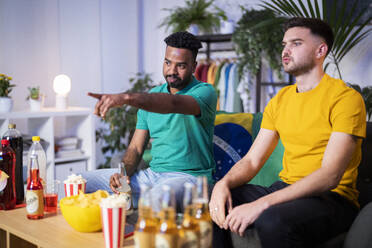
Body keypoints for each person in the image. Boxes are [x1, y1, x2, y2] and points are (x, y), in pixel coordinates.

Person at [209, 17, 366, 247]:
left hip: (332, 198)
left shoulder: (345, 99)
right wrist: (224, 184)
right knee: (213, 197)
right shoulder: (280, 100)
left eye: (296, 43)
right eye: (284, 44)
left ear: (320, 50)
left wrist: (263, 204)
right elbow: (252, 160)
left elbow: (330, 175)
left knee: (272, 220)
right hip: (286, 188)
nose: (286, 50)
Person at [85, 31, 217, 212]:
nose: (172, 71)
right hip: (153, 176)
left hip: (190, 179)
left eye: (181, 66)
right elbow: (135, 148)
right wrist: (123, 176)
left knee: (155, 199)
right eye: (168, 63)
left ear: (194, 66)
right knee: (79, 182)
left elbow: (173, 103)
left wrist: (126, 98)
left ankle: (130, 227)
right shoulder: (152, 95)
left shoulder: (204, 92)